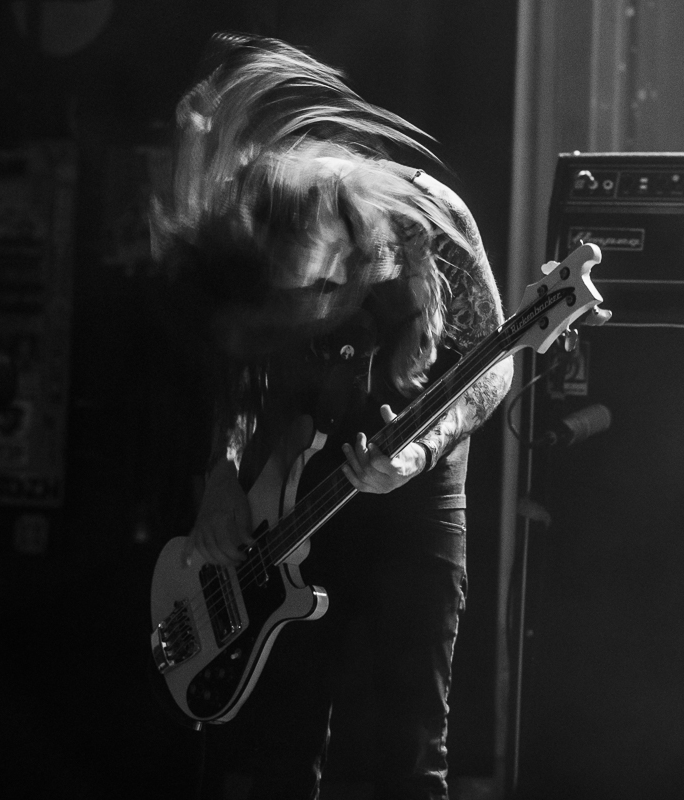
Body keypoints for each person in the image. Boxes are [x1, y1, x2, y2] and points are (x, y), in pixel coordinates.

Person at [149, 33, 512, 800]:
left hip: (411, 482)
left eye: (324, 285)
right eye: (294, 295)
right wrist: (219, 474)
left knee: (403, 748)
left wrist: (419, 452)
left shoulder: (429, 217)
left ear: (351, 233)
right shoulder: (246, 218)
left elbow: (495, 359)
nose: (317, 306)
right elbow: (234, 365)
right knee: (272, 742)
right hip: (283, 489)